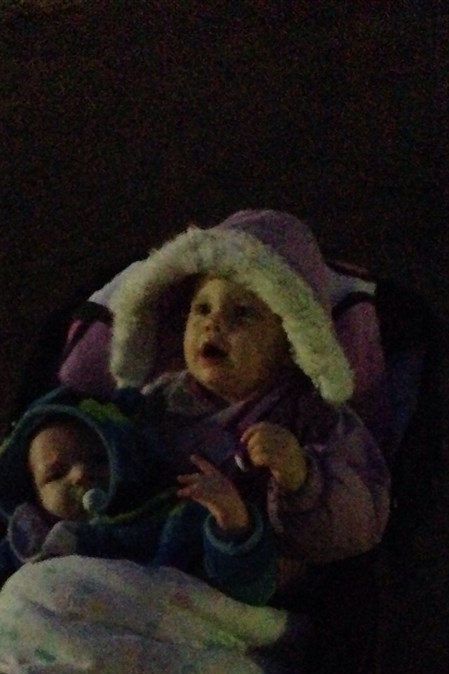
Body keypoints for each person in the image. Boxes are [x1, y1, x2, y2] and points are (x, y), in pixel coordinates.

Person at [59, 209, 392, 593]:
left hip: (245, 593)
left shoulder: (313, 416)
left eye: (242, 314)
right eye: (201, 309)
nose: (212, 323)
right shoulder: (156, 403)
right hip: (144, 572)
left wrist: (302, 479)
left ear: (291, 340)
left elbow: (364, 522)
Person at [0, 389, 278, 652]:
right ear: (35, 497)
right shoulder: (30, 548)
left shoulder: (173, 517)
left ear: (126, 457)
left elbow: (244, 593)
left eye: (97, 458)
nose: (79, 475)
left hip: (155, 643)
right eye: (56, 473)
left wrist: (232, 524)